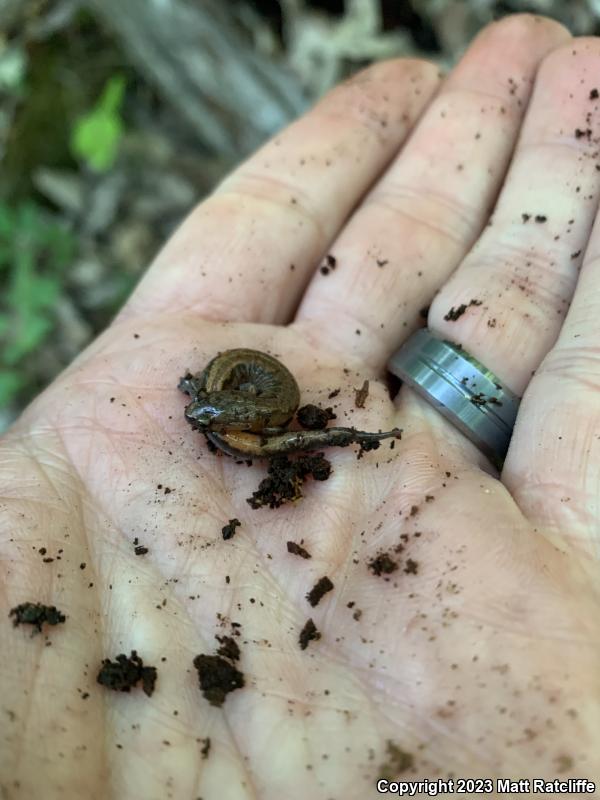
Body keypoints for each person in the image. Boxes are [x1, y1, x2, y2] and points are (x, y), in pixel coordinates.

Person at [2, 13, 599, 798]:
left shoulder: (253, 402)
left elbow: (234, 412)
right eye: (210, 422)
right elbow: (205, 404)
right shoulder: (214, 396)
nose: (204, 429)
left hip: (268, 392)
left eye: (214, 423)